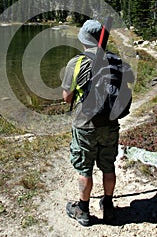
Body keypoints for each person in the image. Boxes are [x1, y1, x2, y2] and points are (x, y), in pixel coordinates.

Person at [61, 19, 120, 226]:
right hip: (111, 123)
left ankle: (83, 210)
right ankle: (109, 206)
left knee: (84, 169)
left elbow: (66, 97)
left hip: (85, 125)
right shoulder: (115, 60)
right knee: (108, 165)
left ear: (84, 39)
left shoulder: (76, 63)